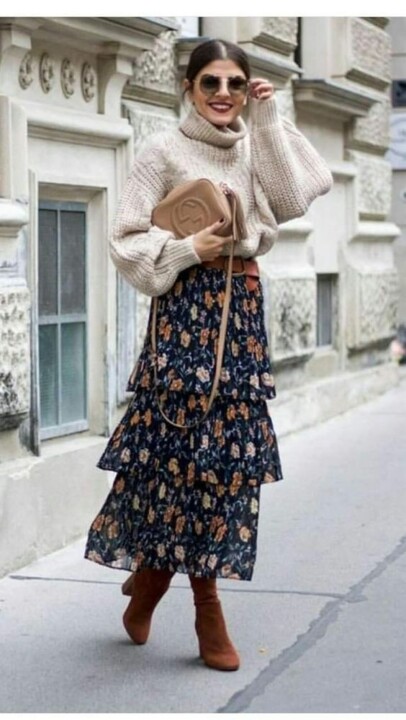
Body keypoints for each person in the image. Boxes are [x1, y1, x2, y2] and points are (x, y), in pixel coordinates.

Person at [85, 38, 333, 671]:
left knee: (224, 465)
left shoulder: (256, 141)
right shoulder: (163, 150)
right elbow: (124, 239)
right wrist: (188, 248)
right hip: (185, 312)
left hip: (240, 313)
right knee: (175, 460)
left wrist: (270, 120)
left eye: (234, 83)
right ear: (189, 88)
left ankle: (150, 583)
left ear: (245, 89)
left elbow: (294, 198)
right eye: (210, 83)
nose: (223, 94)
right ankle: (206, 608)